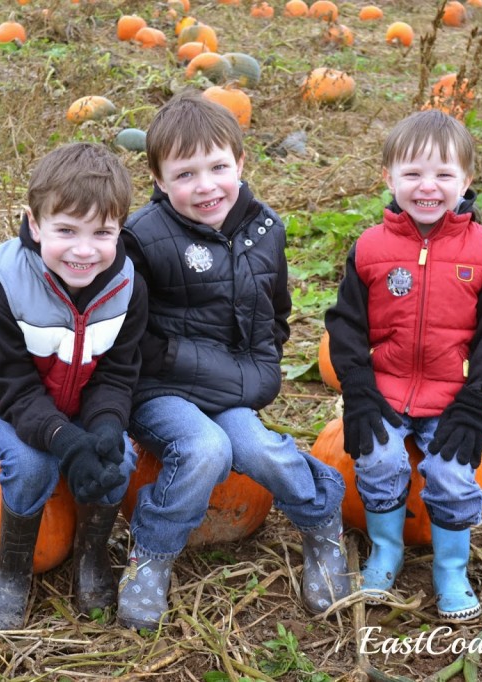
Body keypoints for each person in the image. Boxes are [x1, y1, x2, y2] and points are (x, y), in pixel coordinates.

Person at [118, 89, 350, 630]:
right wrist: (224, 375)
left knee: (258, 449)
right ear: (159, 179)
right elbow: (134, 339)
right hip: (160, 389)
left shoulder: (266, 230)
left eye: (218, 167)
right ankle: (151, 555)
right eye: (185, 174)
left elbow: (276, 312)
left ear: (241, 163)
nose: (205, 186)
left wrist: (252, 369)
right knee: (204, 448)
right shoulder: (143, 239)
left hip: (230, 391)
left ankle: (322, 526)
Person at [0, 143, 148, 630]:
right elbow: (13, 386)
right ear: (35, 225)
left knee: (116, 455)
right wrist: (64, 440)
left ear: (120, 227)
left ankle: (91, 555)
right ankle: (12, 569)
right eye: (65, 231)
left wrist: (102, 425)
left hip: (75, 396)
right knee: (33, 462)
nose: (84, 249)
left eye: (102, 232)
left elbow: (119, 372)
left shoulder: (128, 285)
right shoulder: (5, 285)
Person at [324, 109, 482, 622]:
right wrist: (359, 390)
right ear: (388, 178)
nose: (427, 187)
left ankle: (451, 567)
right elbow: (345, 325)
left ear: (466, 181)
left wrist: (476, 403)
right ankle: (387, 549)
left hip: (451, 397)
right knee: (379, 461)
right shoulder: (371, 248)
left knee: (454, 477)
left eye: (443, 175)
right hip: (384, 390)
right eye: (412, 174)